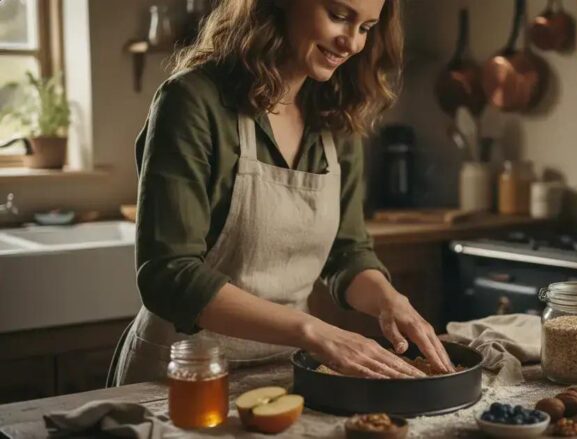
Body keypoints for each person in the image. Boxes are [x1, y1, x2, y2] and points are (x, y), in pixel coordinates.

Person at [112, 0, 454, 385]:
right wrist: (313, 330)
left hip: (281, 369)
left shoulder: (335, 117)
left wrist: (389, 301)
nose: (353, 44)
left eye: (366, 27)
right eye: (340, 17)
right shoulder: (193, 101)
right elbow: (169, 275)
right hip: (185, 370)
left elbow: (346, 252)